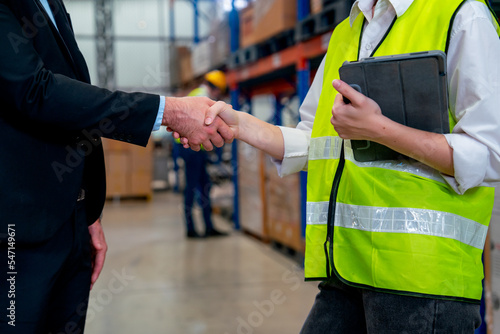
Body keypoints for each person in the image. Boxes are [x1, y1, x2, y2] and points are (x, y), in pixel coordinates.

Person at [181, 0, 500, 331]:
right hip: (347, 270)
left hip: (422, 281)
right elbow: (316, 140)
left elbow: (490, 153)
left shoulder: (462, 16)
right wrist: (241, 126)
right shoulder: (345, 33)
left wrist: (378, 130)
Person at [0, 0, 233, 333]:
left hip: (73, 222)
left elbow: (76, 105)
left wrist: (88, 208)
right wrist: (165, 111)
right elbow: (35, 91)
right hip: (17, 234)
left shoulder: (51, 3)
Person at [178, 70, 229, 238]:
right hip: (190, 148)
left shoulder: (196, 93)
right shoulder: (203, 98)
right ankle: (190, 229)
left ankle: (207, 226)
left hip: (194, 148)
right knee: (192, 189)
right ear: (216, 89)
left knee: (203, 187)